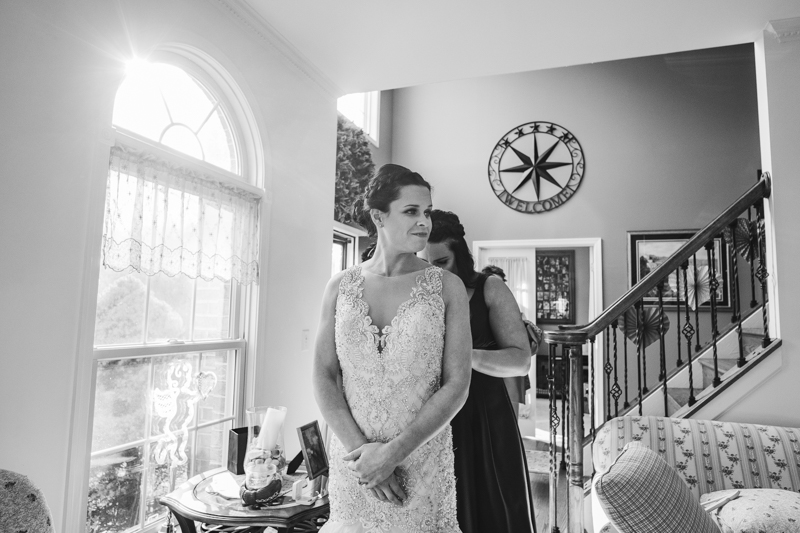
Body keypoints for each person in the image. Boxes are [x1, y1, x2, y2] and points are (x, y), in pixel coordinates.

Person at [312, 164, 472, 533]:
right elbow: (324, 374)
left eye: (427, 211)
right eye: (412, 211)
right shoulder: (339, 287)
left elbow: (456, 385)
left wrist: (392, 455)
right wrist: (364, 458)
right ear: (378, 216)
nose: (425, 222)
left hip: (419, 462)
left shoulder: (447, 288)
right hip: (354, 465)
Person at [421, 210, 536, 533]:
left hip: (483, 416)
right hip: (429, 418)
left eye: (441, 262)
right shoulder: (414, 294)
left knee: (491, 509)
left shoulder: (489, 288)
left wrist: (463, 355)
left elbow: (520, 360)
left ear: (461, 255)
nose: (434, 272)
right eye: (426, 263)